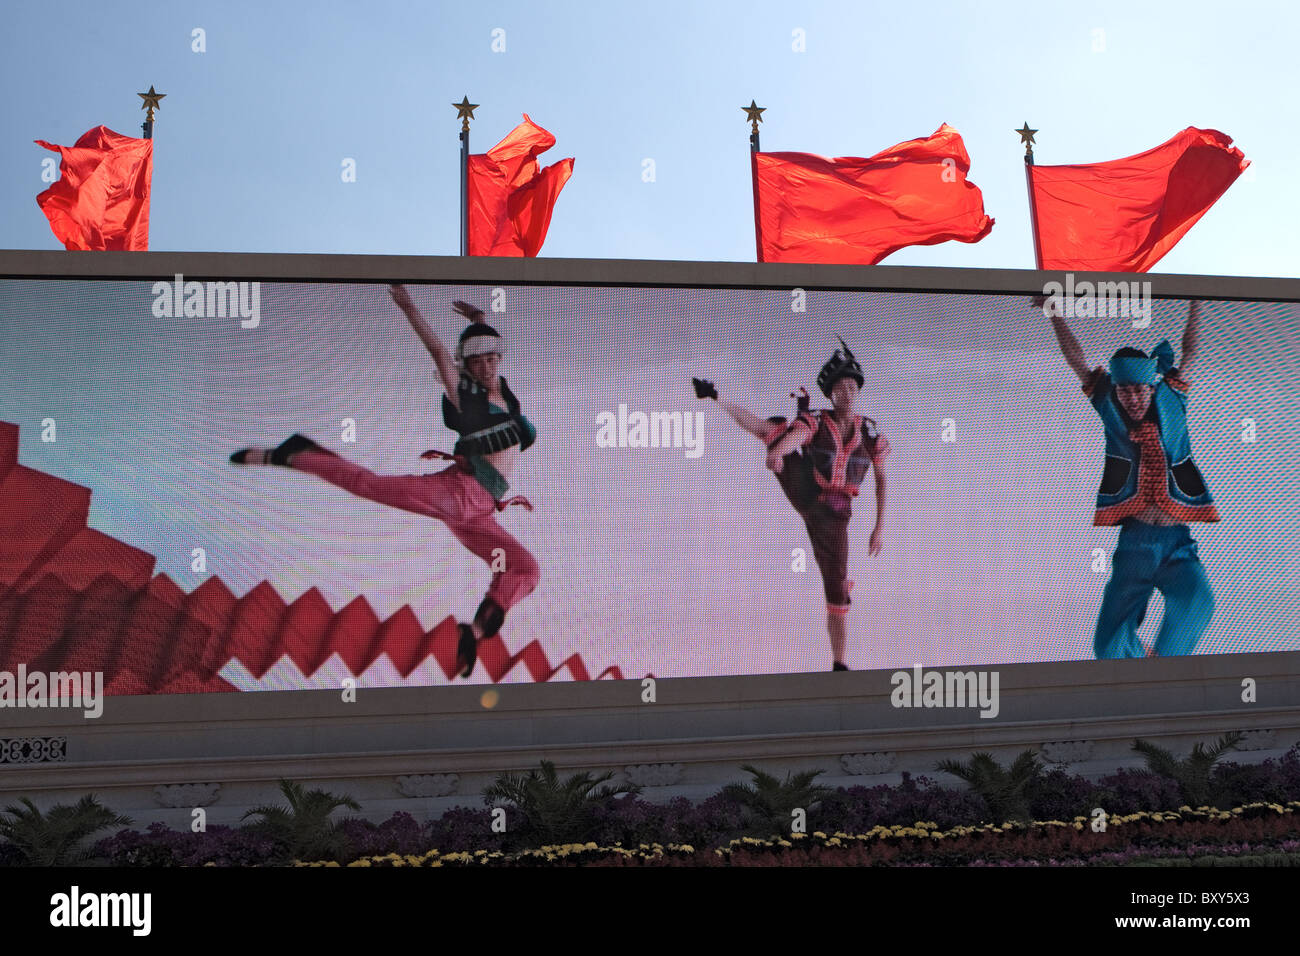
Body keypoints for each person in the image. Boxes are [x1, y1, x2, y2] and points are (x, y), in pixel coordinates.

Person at [230, 285, 540, 679]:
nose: (487, 366)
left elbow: (482, 357)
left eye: (492, 357)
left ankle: (473, 633)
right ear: (468, 365)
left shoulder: (506, 397)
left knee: (526, 569)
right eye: (478, 361)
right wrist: (410, 308)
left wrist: (480, 325)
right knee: (369, 484)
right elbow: (439, 353)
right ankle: (292, 455)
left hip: (480, 514)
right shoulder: (465, 397)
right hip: (456, 495)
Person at [693, 340, 888, 671]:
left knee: (836, 591)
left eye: (852, 387)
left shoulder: (869, 431)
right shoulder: (817, 420)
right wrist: (780, 452)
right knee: (771, 431)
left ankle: (839, 664)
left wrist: (878, 528)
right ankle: (717, 397)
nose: (847, 394)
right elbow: (796, 436)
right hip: (808, 491)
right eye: (840, 388)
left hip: (834, 516)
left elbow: (882, 480)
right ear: (830, 394)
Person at [1045, 297, 1217, 658]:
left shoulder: (1173, 399)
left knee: (1197, 602)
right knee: (1107, 647)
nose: (1133, 399)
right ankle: (1137, 664)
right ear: (1117, 391)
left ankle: (1165, 665)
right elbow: (1077, 361)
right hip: (1135, 543)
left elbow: (1191, 351)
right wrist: (1054, 312)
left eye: (1139, 391)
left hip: (1176, 541)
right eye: (1125, 392)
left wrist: (1196, 302)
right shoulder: (1109, 404)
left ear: (1151, 388)